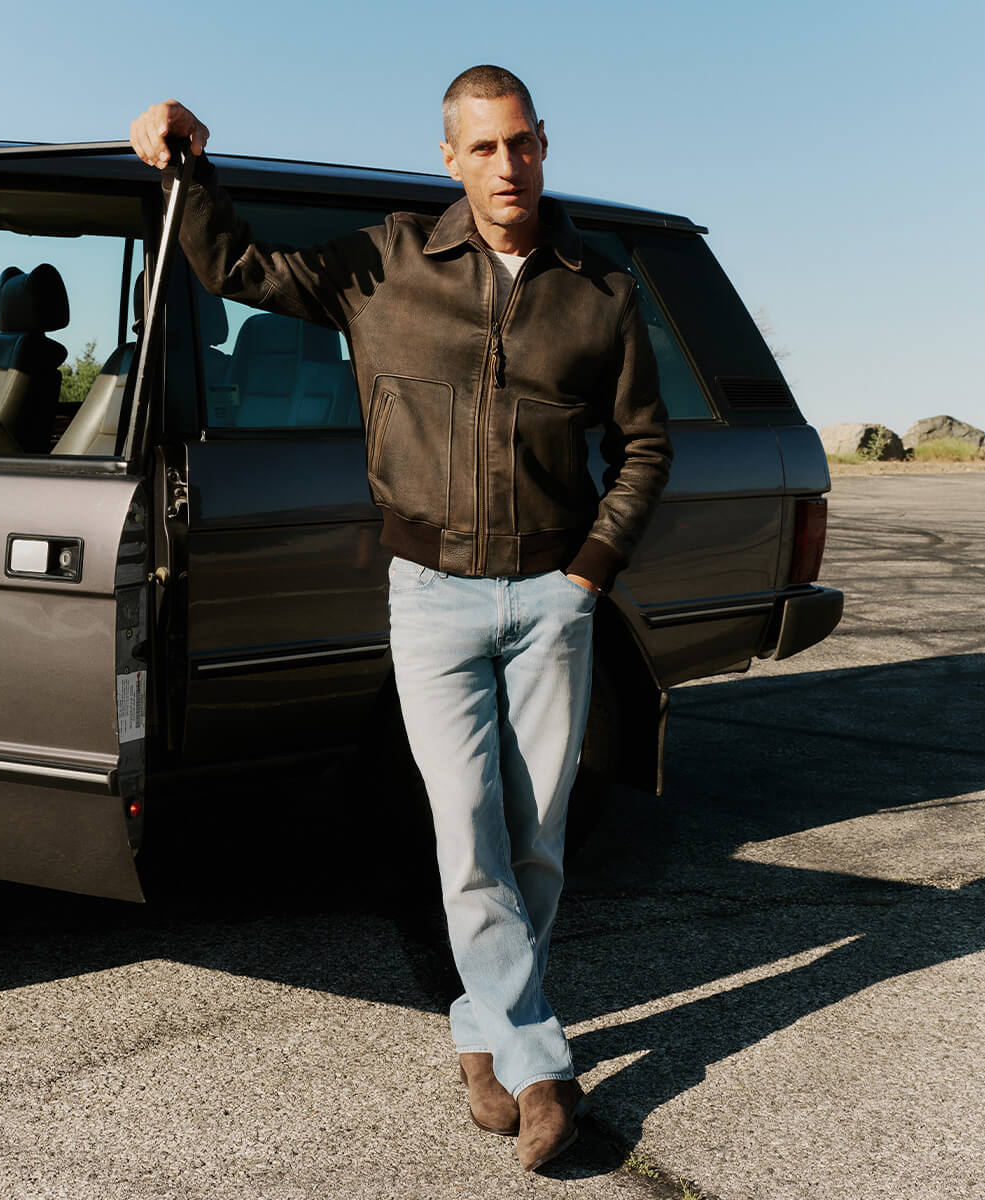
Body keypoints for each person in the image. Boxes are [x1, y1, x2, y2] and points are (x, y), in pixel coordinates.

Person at [130, 66, 672, 1172]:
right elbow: (239, 268)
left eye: (520, 144)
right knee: (469, 832)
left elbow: (646, 444)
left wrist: (591, 572)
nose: (505, 166)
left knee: (537, 843)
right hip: (431, 599)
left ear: (543, 147)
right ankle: (538, 1067)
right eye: (482, 148)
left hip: (550, 600)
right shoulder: (383, 263)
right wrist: (190, 168)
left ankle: (482, 1034)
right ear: (450, 160)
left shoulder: (601, 294)